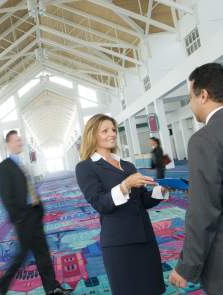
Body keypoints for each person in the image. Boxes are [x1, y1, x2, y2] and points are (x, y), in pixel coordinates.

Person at [75, 114, 168, 295]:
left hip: (145, 238)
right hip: (120, 244)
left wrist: (163, 191)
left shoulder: (127, 165)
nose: (112, 134)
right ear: (92, 135)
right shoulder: (85, 167)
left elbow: (142, 201)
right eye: (105, 130)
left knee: (153, 289)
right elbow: (101, 204)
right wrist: (125, 185)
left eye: (114, 130)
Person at [0, 130, 72, 295]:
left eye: (19, 140)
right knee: (22, 255)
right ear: (8, 144)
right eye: (15, 141)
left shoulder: (21, 164)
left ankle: (53, 288)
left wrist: (38, 209)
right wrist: (19, 219)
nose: (19, 143)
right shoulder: (4, 167)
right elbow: (6, 196)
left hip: (34, 214)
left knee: (42, 253)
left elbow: (29, 188)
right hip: (23, 219)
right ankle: (3, 283)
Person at [169, 63, 223, 295]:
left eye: (189, 97)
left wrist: (186, 266)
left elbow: (204, 210)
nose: (190, 104)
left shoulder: (204, 139)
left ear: (203, 95)